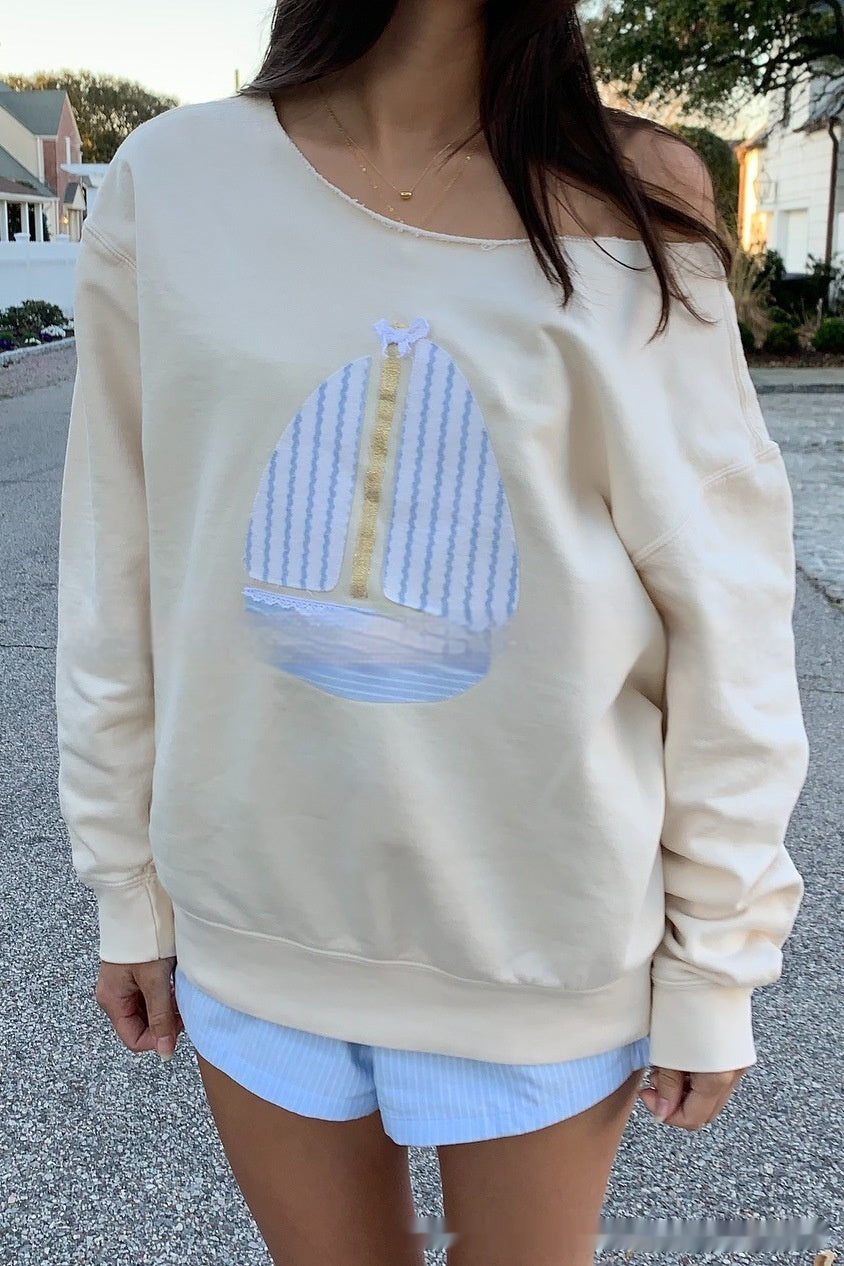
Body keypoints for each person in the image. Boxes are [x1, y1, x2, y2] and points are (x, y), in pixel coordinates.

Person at [54, 2, 810, 1264]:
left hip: (538, 943)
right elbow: (115, 559)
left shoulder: (633, 194)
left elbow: (723, 603)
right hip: (256, 922)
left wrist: (716, 958)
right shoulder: (174, 179)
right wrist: (124, 885)